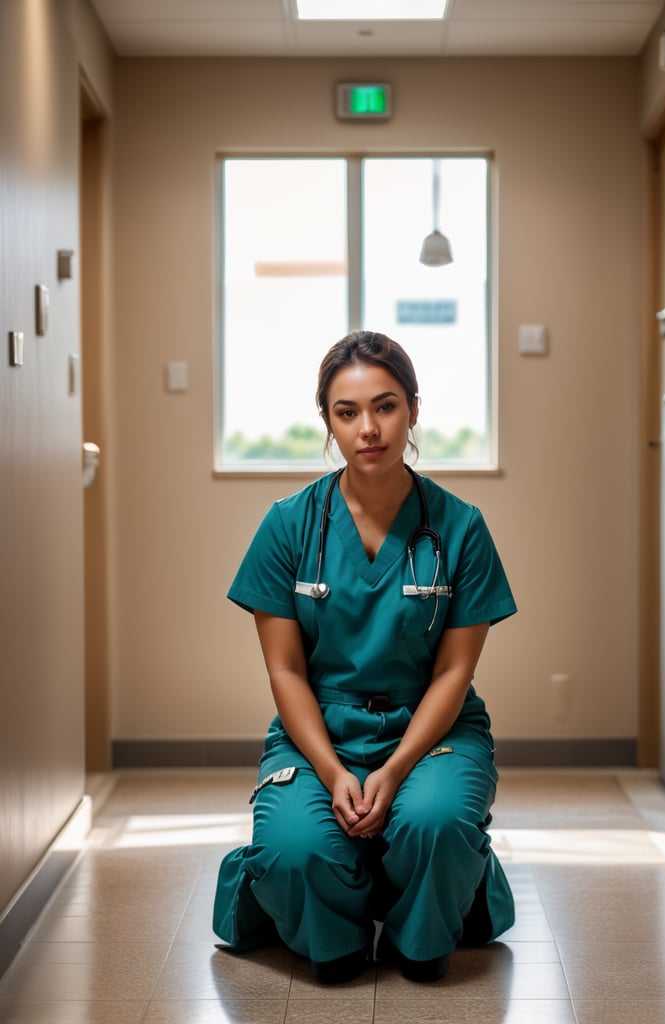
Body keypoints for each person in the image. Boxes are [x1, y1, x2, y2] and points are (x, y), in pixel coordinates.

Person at [212, 330, 516, 984]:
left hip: (432, 731)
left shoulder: (459, 527)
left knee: (434, 824)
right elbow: (286, 671)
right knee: (294, 852)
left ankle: (431, 900)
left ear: (412, 410)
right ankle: (347, 909)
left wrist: (398, 765)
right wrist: (328, 770)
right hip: (320, 729)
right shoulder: (288, 525)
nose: (368, 429)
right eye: (346, 413)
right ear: (326, 421)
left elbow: (454, 672)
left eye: (385, 407)